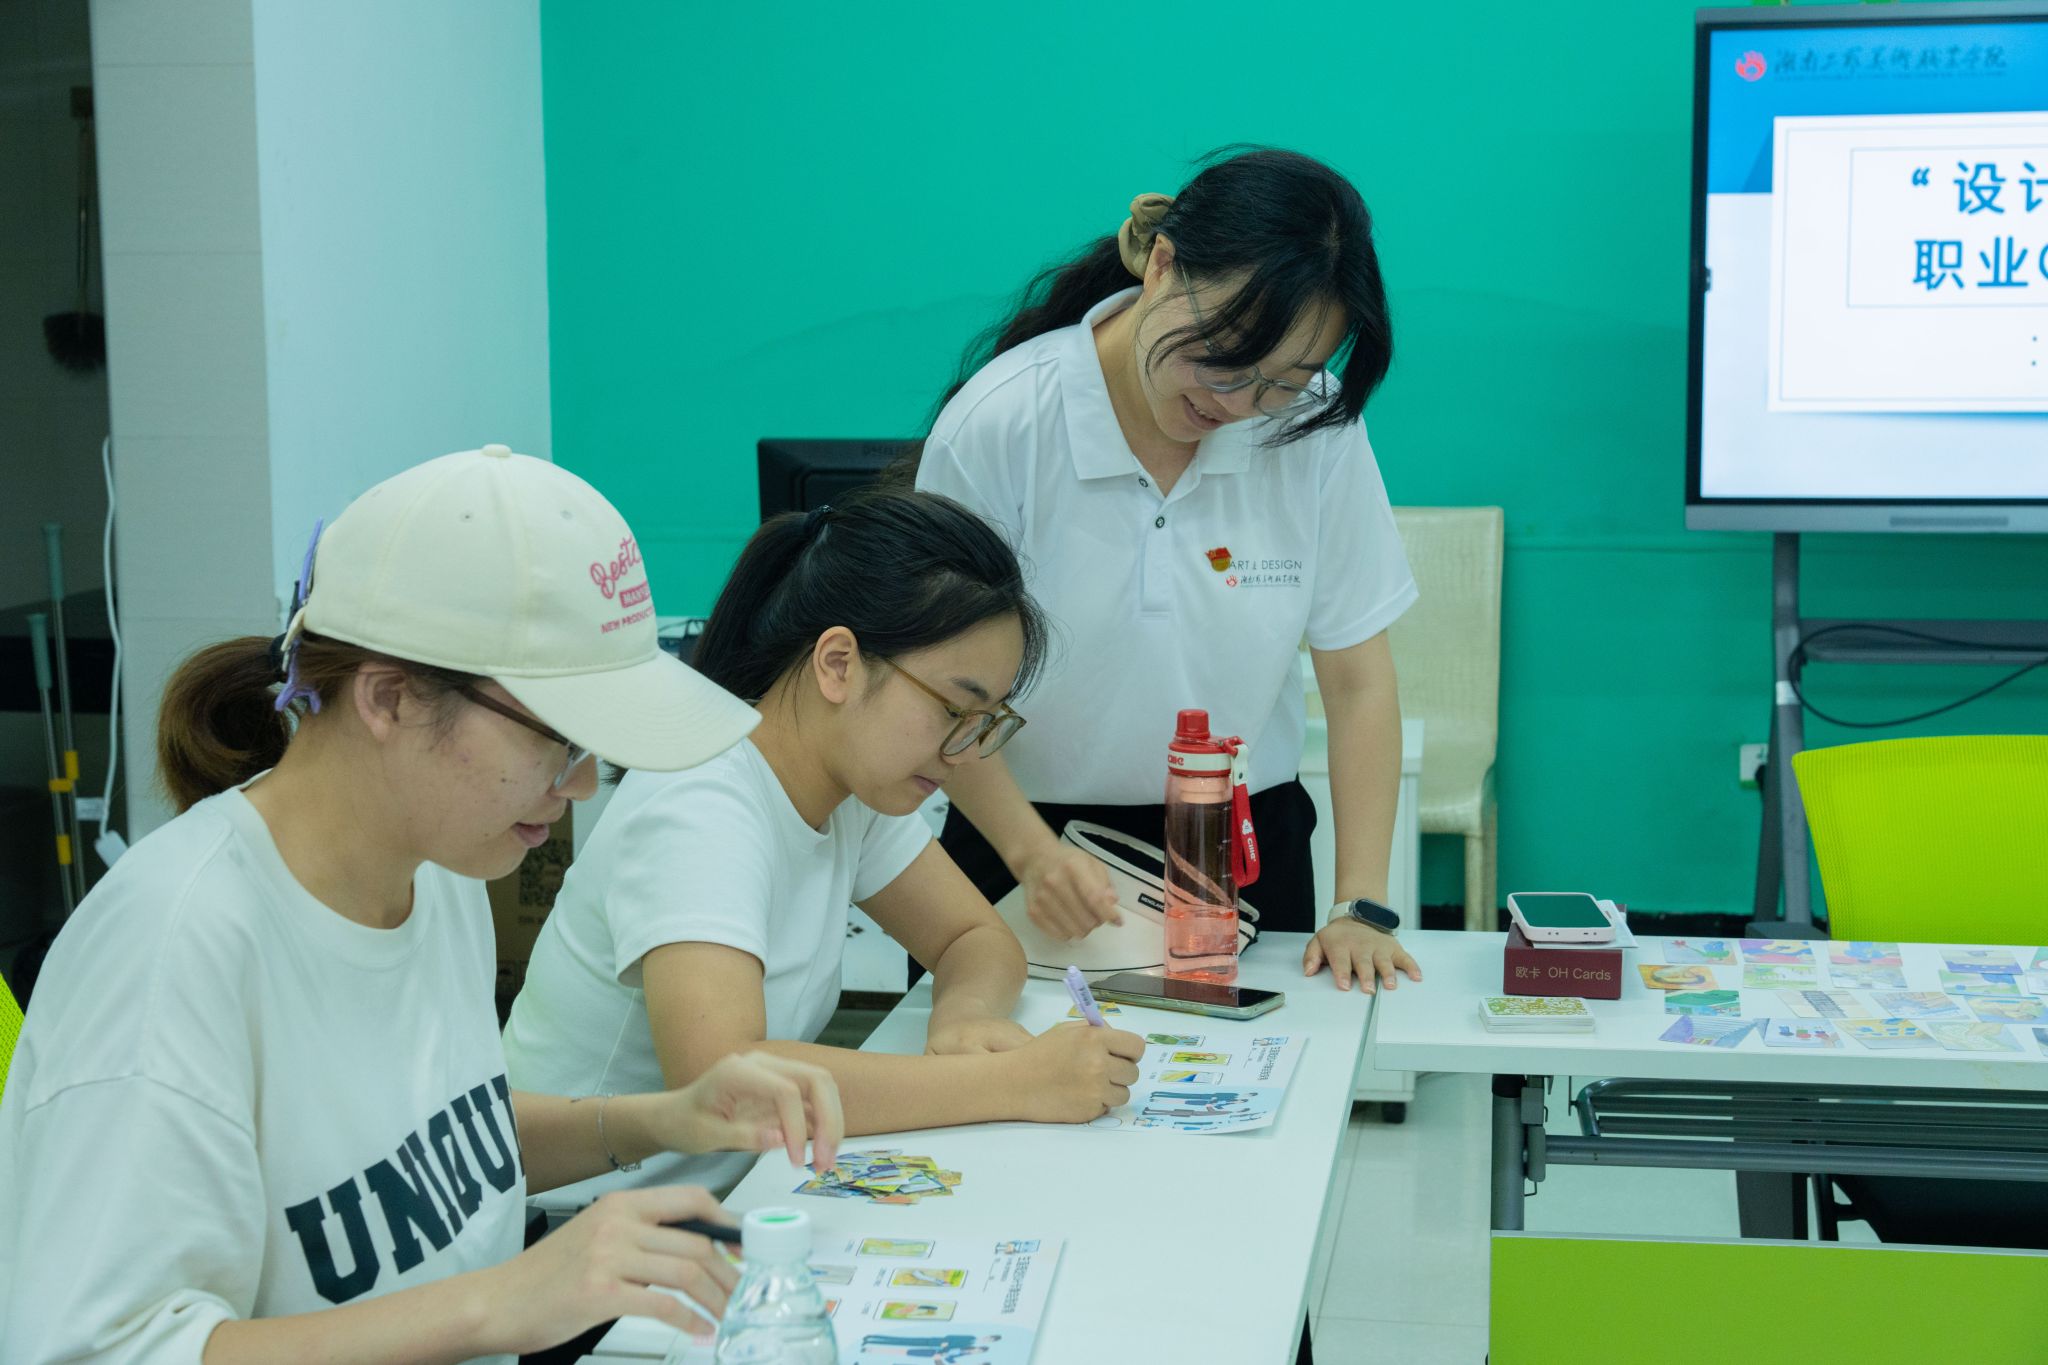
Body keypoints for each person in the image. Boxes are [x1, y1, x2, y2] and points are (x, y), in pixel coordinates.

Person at [0, 446, 843, 1365]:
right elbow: (104, 1350)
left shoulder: (436, 871)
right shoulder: (171, 951)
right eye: (562, 739)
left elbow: (431, 1154)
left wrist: (664, 1118)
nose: (582, 784)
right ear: (389, 698)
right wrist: (500, 1303)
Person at [502, 489, 1144, 1205]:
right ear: (837, 663)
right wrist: (1009, 1082)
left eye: (986, 722)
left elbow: (976, 939)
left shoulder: (849, 784)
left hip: (737, 1196)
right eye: (953, 710)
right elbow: (729, 1081)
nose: (966, 752)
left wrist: (965, 1017)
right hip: (584, 1223)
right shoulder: (701, 800)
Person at [912, 147, 1425, 992]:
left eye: (1281, 380)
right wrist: (1032, 855)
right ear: (1160, 266)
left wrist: (1361, 903)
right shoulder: (1004, 422)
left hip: (1244, 849)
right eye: (1221, 354)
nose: (1236, 403)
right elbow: (935, 687)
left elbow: (1359, 678)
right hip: (1023, 845)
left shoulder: (1312, 428)